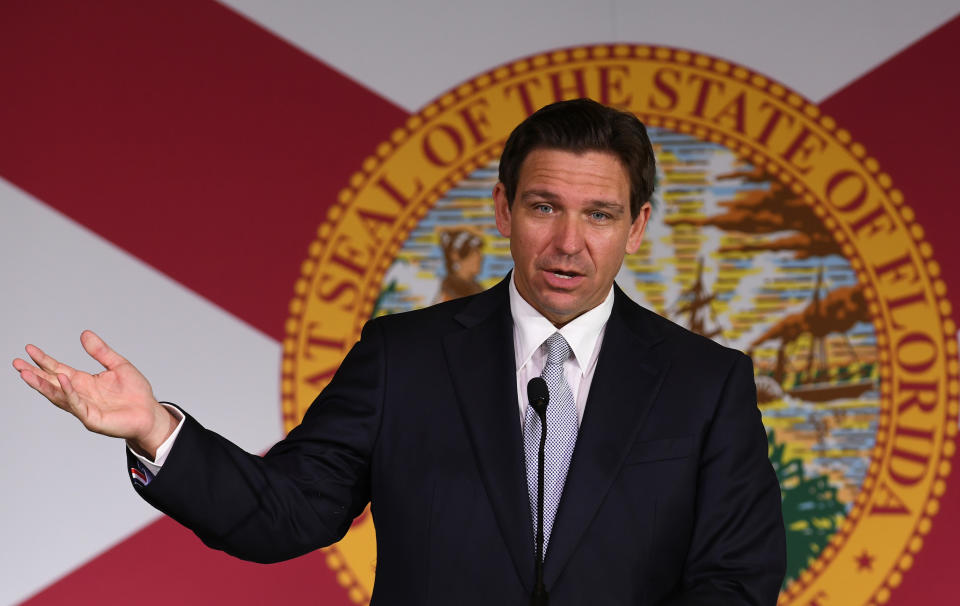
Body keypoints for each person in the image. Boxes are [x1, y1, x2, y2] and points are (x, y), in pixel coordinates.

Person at [13, 98, 786, 605]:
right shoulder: (403, 359)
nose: (568, 243)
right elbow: (286, 513)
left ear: (638, 227)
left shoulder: (705, 383)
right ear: (502, 210)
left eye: (601, 215)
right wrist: (157, 430)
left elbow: (737, 581)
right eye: (544, 207)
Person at [436, 226, 485, 302]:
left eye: (478, 252)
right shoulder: (448, 294)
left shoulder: (477, 289)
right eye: (473, 253)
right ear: (455, 256)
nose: (479, 258)